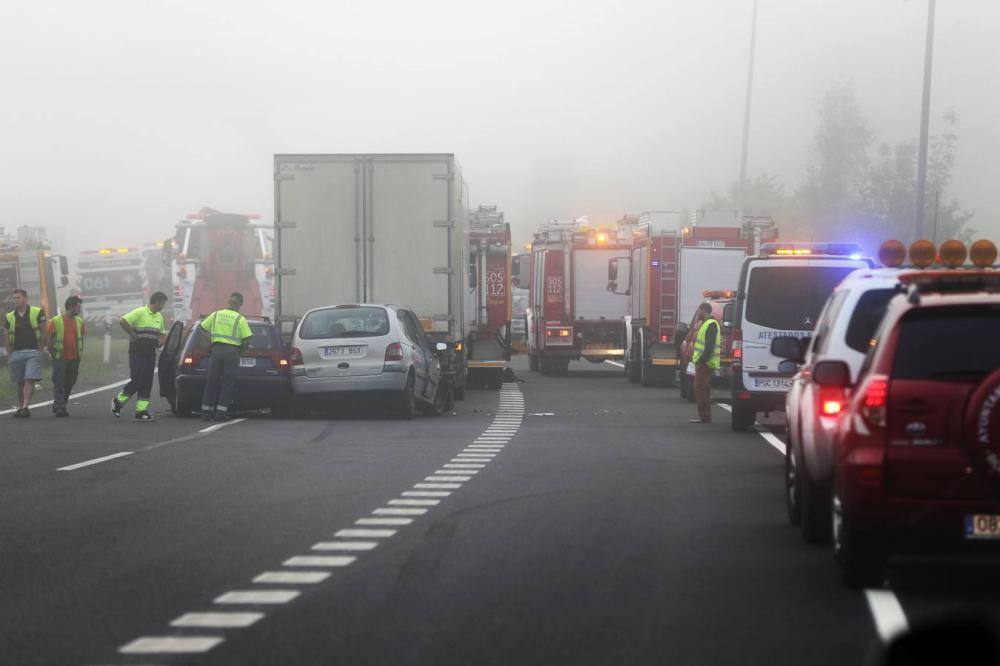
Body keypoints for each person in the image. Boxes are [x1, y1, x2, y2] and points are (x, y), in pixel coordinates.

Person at [112, 292, 168, 421]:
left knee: (147, 382)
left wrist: (161, 342)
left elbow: (162, 333)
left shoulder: (159, 316)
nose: (164, 306)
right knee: (137, 380)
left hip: (150, 354)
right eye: (163, 303)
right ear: (157, 301)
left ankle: (141, 411)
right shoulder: (140, 312)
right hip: (137, 353)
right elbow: (122, 320)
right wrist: (132, 333)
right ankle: (118, 402)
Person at [199, 292, 253, 422]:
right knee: (227, 383)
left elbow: (202, 328)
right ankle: (220, 413)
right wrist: (240, 351)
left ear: (228, 302)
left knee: (212, 381)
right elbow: (247, 339)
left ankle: (206, 412)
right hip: (232, 353)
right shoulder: (240, 319)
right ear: (240, 304)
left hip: (216, 351)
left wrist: (210, 342)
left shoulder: (216, 314)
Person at [5, 288, 48, 418]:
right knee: (20, 381)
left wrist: (41, 348)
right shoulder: (10, 316)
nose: (16, 300)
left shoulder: (37, 312)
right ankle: (22, 406)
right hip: (17, 352)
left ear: (25, 298)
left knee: (29, 379)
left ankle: (25, 406)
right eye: (14, 298)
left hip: (33, 351)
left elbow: (44, 330)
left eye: (18, 297)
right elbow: (6, 334)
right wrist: (9, 352)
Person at [47, 296, 85, 417]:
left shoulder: (79, 321)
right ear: (71, 307)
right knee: (59, 383)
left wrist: (80, 354)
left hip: (74, 358)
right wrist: (54, 355)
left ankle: (60, 404)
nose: (80, 309)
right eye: (78, 307)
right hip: (60, 357)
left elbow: (81, 338)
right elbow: (49, 340)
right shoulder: (56, 321)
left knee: (70, 382)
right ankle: (60, 407)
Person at [690, 302, 721, 424]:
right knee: (704, 388)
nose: (698, 313)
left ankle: (704, 415)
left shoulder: (711, 325)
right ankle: (706, 416)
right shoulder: (705, 324)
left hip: (706, 362)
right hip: (704, 361)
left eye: (699, 311)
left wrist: (703, 360)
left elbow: (710, 346)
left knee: (698, 387)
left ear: (704, 311)